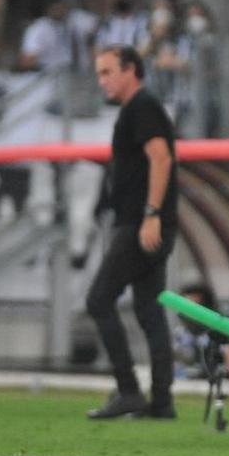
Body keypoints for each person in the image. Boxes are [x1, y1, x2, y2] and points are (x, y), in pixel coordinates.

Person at [85, 45, 179, 419]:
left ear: (131, 71)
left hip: (142, 224)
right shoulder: (137, 109)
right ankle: (161, 401)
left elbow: (161, 158)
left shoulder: (143, 107)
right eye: (99, 73)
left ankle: (128, 391)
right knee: (148, 309)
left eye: (107, 72)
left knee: (99, 300)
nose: (102, 81)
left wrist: (151, 214)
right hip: (144, 221)